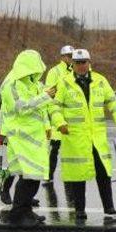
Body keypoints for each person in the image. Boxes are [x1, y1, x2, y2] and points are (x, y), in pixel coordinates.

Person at [50, 49, 116, 220]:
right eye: (78, 63)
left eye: (84, 62)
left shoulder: (100, 81)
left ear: (89, 62)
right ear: (73, 64)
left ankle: (109, 207)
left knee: (103, 172)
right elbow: (54, 107)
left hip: (96, 137)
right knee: (78, 174)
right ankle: (79, 210)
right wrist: (60, 123)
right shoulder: (64, 82)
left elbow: (112, 101)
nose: (81, 66)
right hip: (75, 137)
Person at [0, 50, 55, 225]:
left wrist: (47, 127)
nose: (36, 72)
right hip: (21, 138)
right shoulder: (11, 84)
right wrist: (46, 97)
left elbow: (42, 109)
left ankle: (26, 211)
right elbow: (20, 107)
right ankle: (18, 214)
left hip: (35, 138)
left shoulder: (33, 83)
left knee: (33, 176)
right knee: (27, 177)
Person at [43, 45, 74, 187]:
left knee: (71, 149)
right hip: (58, 114)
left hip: (72, 115)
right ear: (62, 57)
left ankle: (71, 176)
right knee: (55, 148)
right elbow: (48, 92)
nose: (70, 58)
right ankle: (48, 176)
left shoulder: (75, 70)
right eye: (68, 56)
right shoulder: (54, 71)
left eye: (72, 56)